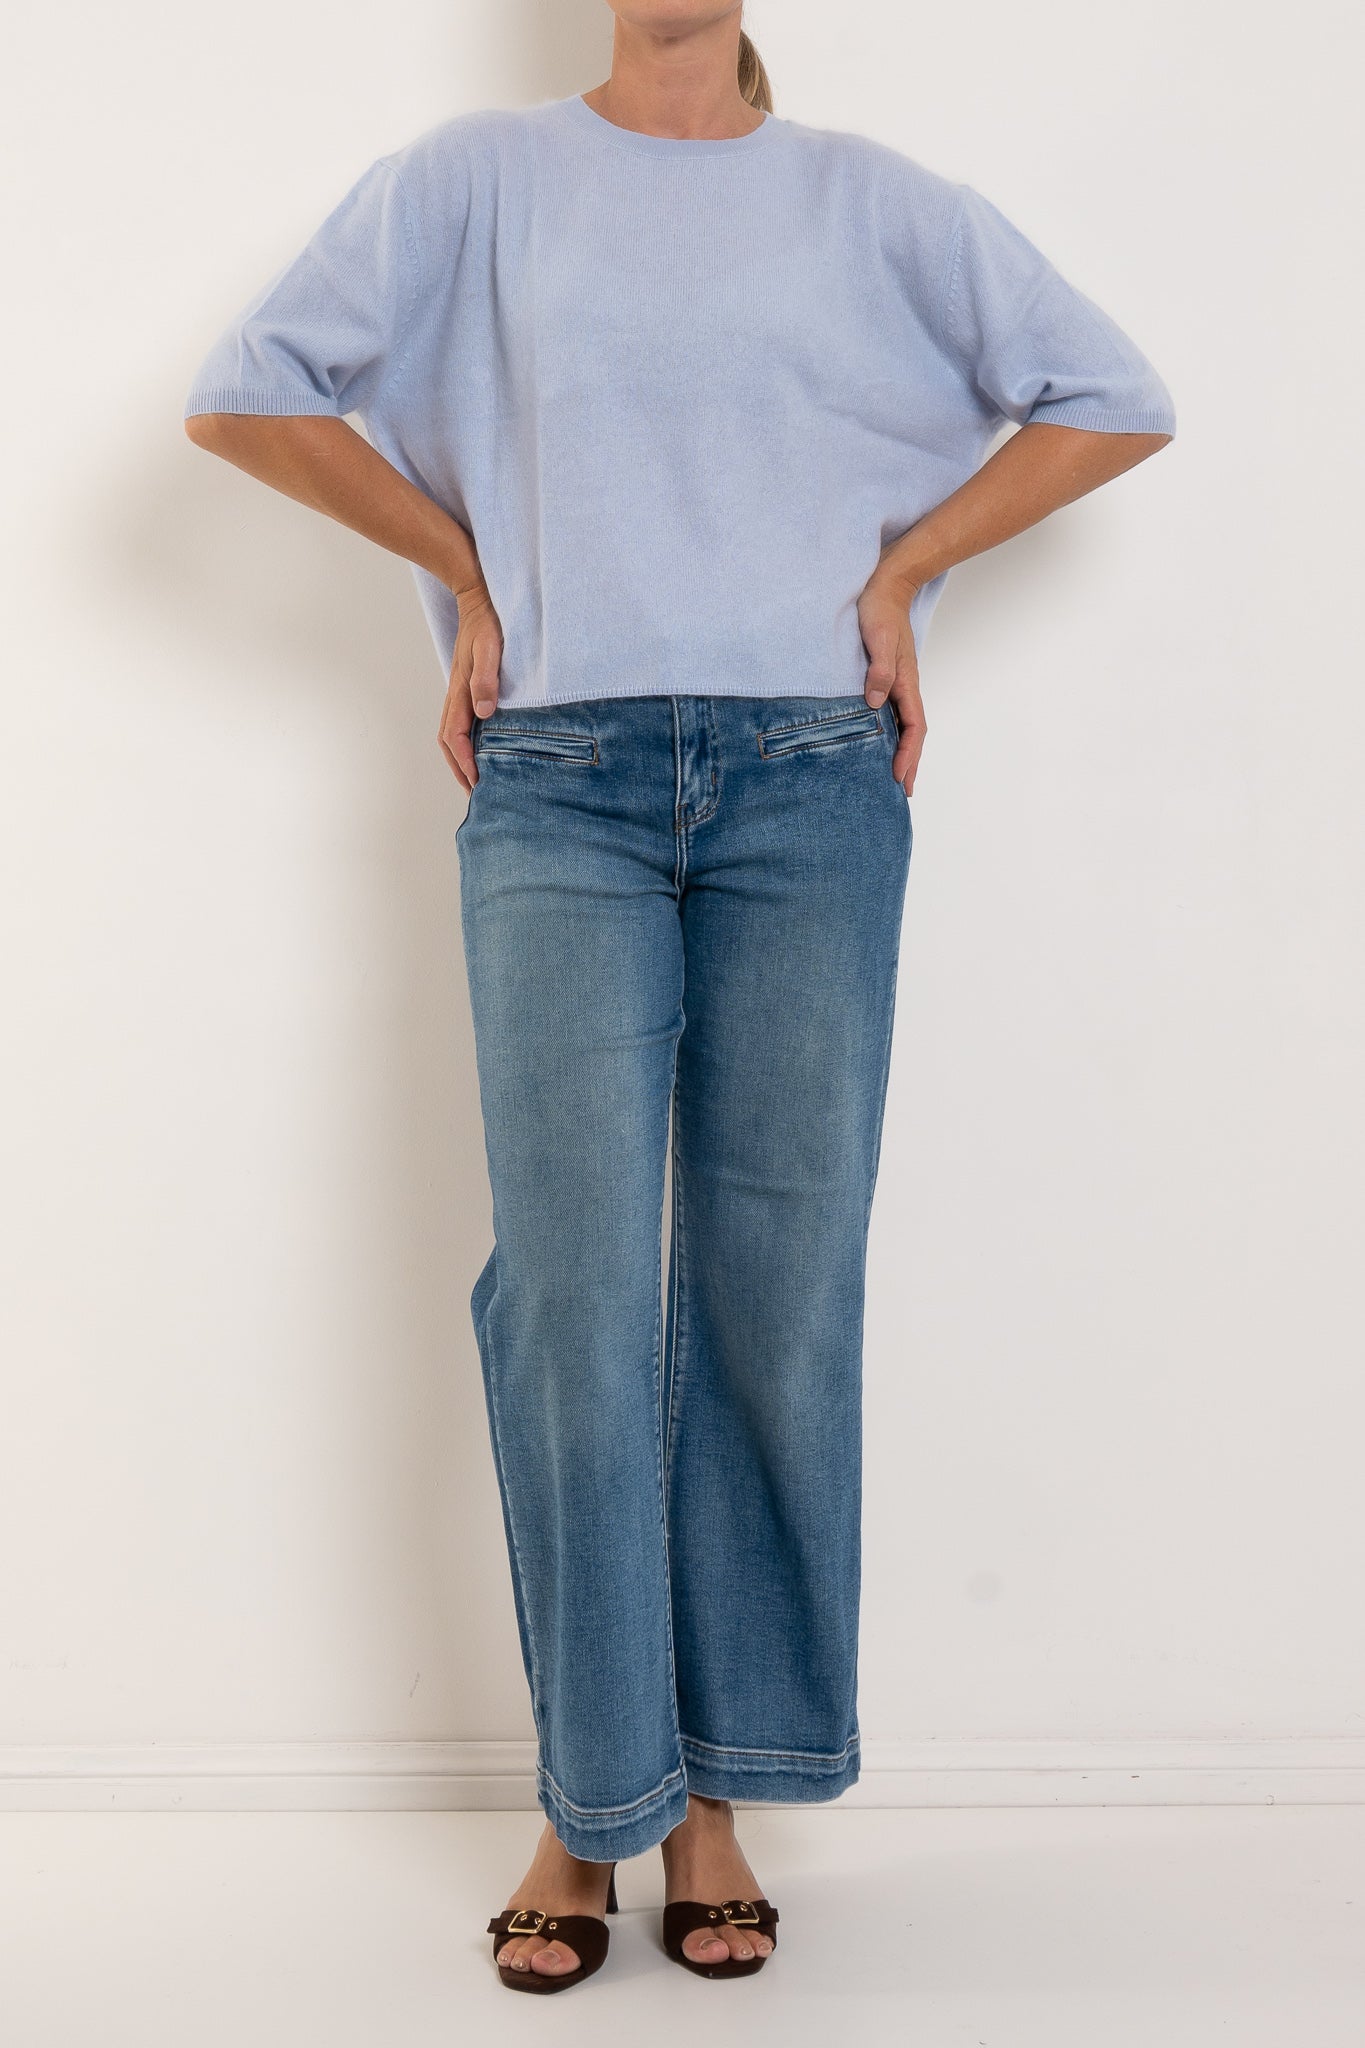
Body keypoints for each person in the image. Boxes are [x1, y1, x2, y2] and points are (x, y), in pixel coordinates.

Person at [183, 0, 1174, 1997]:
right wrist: (464, 566)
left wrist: (900, 574)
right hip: (557, 771)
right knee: (568, 1289)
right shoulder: (475, 185)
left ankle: (716, 1796)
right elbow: (248, 395)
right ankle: (590, 1799)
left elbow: (1110, 395)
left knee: (772, 1280)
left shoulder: (871, 203)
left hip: (811, 769)